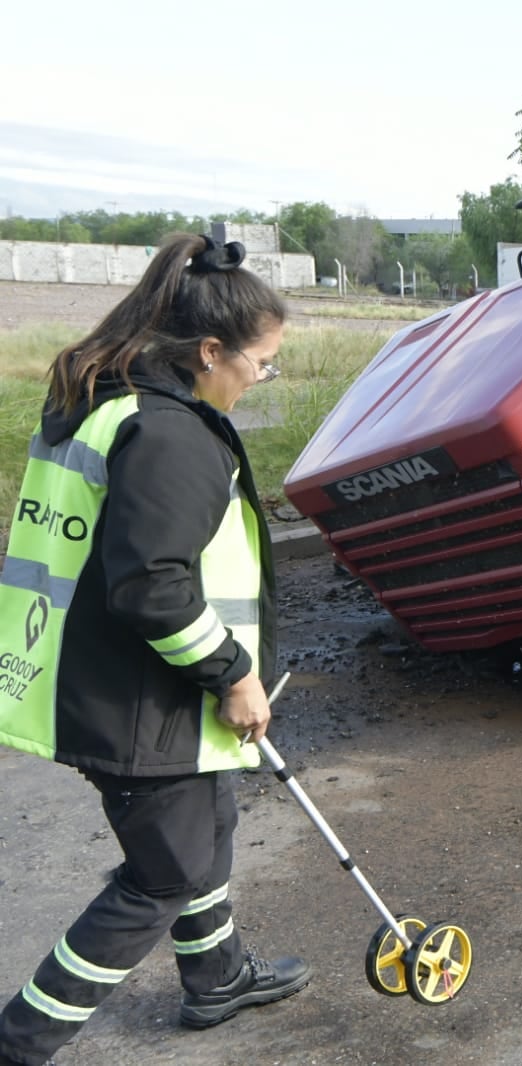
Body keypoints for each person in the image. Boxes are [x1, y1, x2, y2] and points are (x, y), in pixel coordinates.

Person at [0, 233, 311, 1066]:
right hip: (137, 701)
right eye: (262, 363)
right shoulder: (170, 436)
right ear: (210, 350)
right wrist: (234, 673)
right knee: (162, 876)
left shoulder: (107, 401)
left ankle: (216, 978)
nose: (259, 379)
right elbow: (152, 585)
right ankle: (21, 1041)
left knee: (205, 823)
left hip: (106, 679)